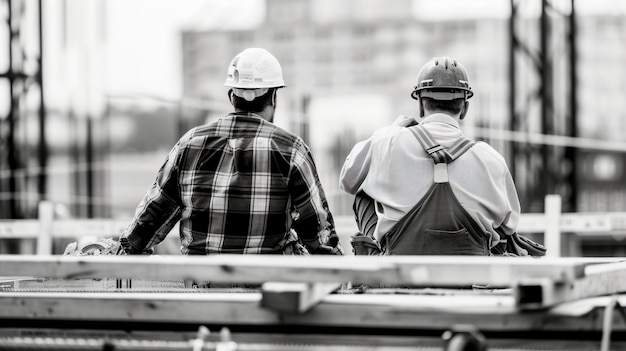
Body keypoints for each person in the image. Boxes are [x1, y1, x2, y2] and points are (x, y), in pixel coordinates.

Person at [119, 47, 342, 256]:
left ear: (231, 96)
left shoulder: (189, 144)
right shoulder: (291, 149)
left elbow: (145, 227)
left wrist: (123, 247)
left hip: (201, 289)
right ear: (274, 97)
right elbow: (319, 237)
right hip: (267, 288)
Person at [339, 56, 522, 256]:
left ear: (420, 105)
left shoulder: (388, 142)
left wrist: (393, 129)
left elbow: (348, 180)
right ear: (464, 109)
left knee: (363, 191)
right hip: (470, 276)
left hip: (400, 273)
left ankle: (376, 261)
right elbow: (509, 225)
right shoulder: (491, 160)